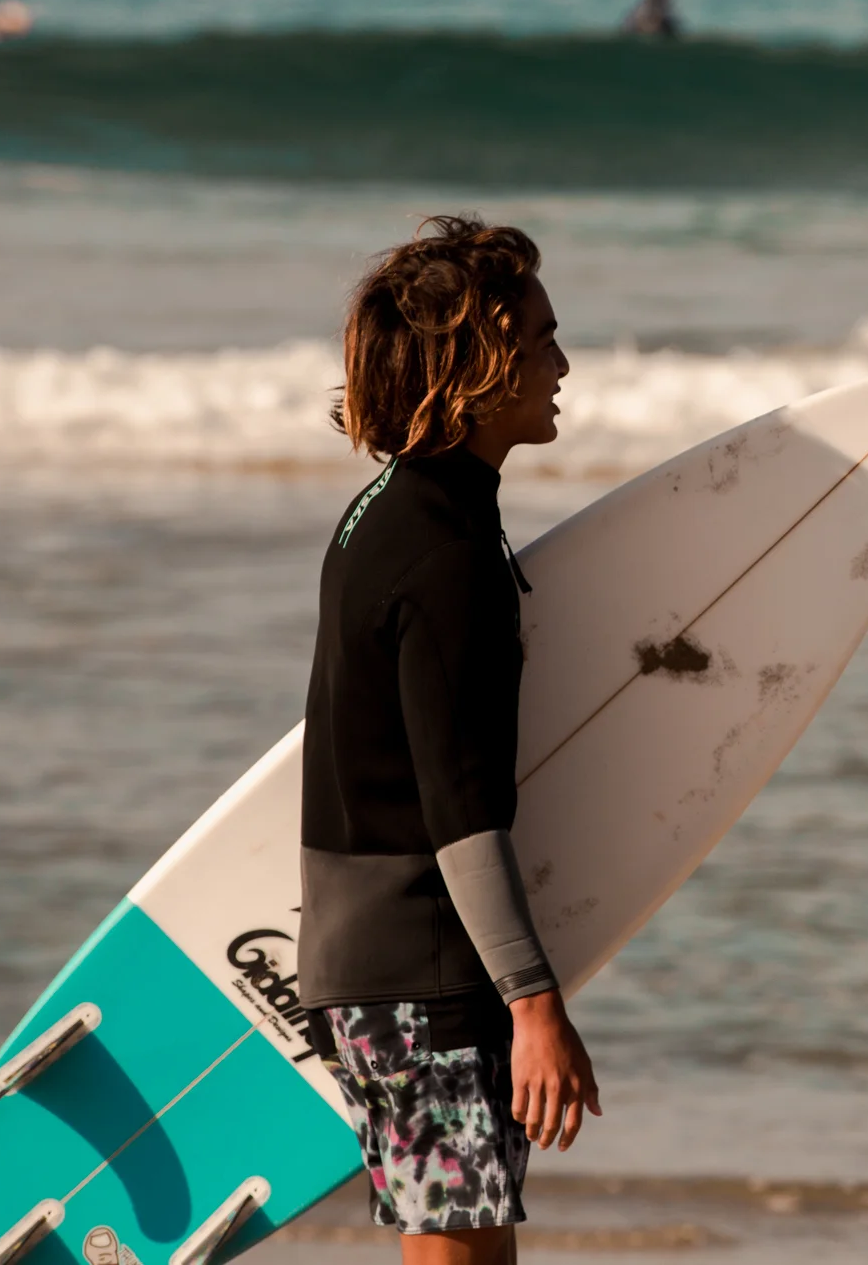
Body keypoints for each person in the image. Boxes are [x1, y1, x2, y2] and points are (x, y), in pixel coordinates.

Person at [299, 216, 599, 1262]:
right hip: (421, 969)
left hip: (374, 957)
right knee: (461, 1251)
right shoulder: (441, 548)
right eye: (542, 339)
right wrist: (533, 1001)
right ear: (479, 363)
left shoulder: (385, 510)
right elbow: (458, 802)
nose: (562, 363)